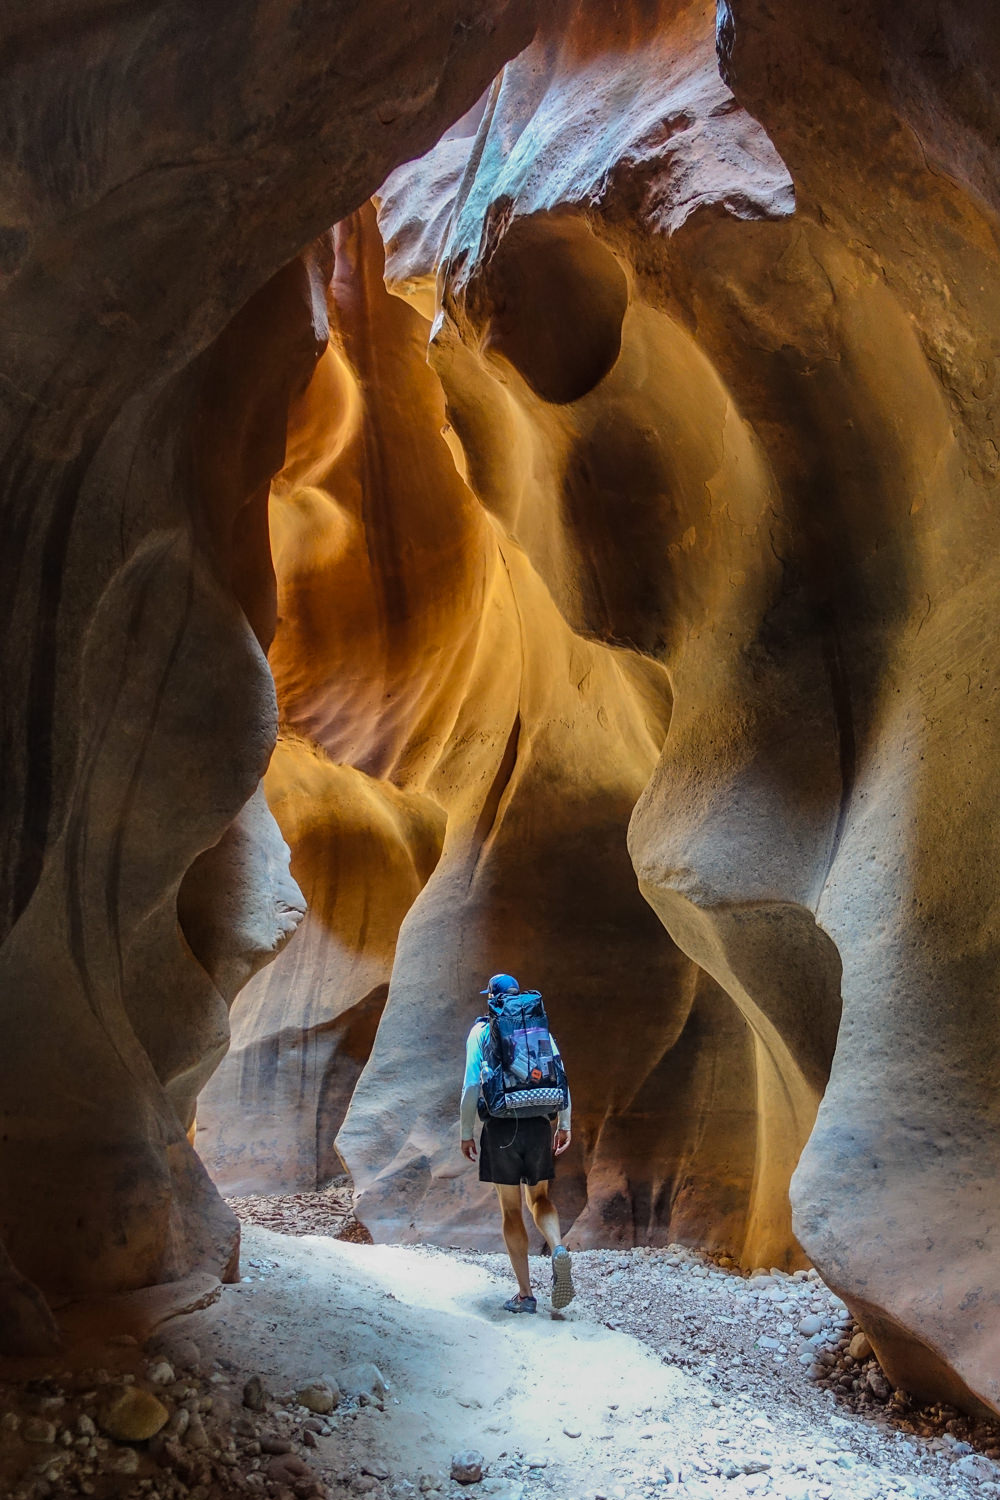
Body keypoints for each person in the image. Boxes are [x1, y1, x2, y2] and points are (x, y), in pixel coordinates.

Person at [460, 973, 575, 1313]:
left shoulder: (481, 1031)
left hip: (500, 1128)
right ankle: (557, 1248)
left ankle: (525, 1295)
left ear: (491, 998)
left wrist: (466, 1132)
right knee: (539, 1199)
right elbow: (561, 1075)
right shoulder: (538, 1027)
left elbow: (470, 1086)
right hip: (539, 1124)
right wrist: (564, 1124)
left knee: (511, 1210)